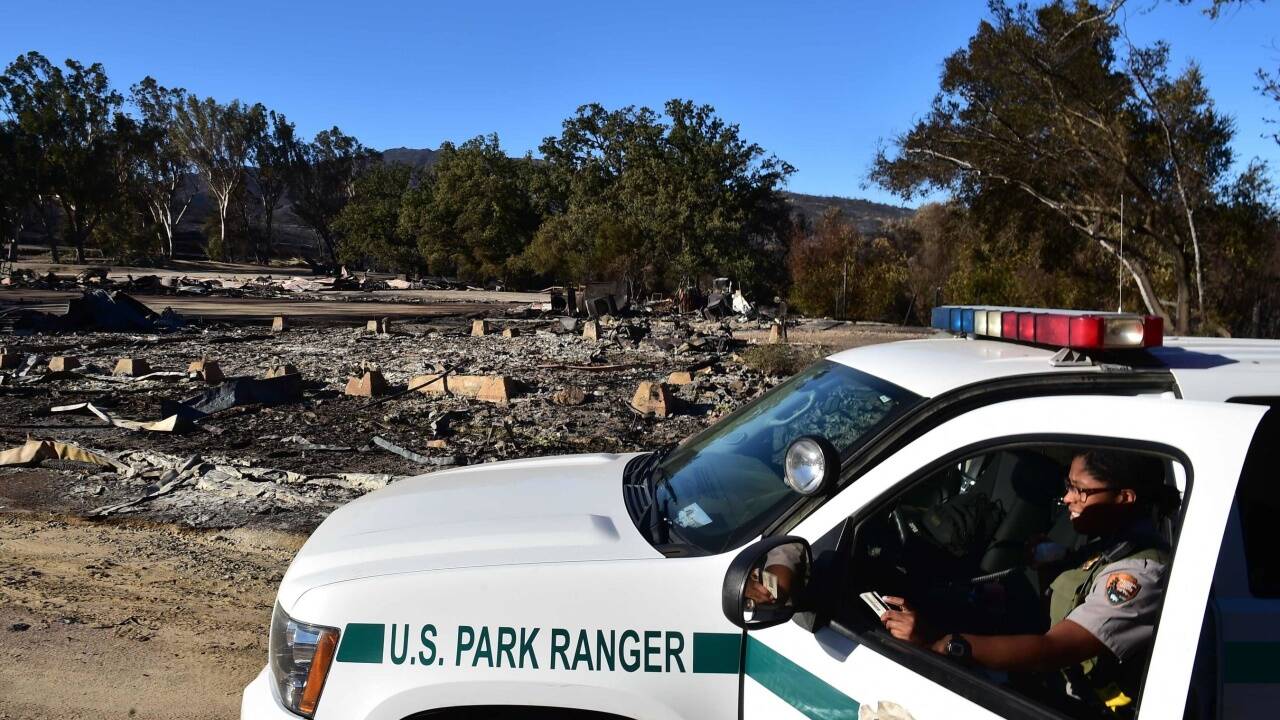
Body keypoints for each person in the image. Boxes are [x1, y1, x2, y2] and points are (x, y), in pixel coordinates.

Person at [877, 449, 1173, 716]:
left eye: (1080, 490)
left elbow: (1053, 649)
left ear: (1124, 497)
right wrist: (1047, 569)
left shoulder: (1139, 574)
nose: (1067, 498)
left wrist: (940, 644)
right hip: (1048, 683)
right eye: (1068, 485)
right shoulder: (1107, 545)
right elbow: (1057, 617)